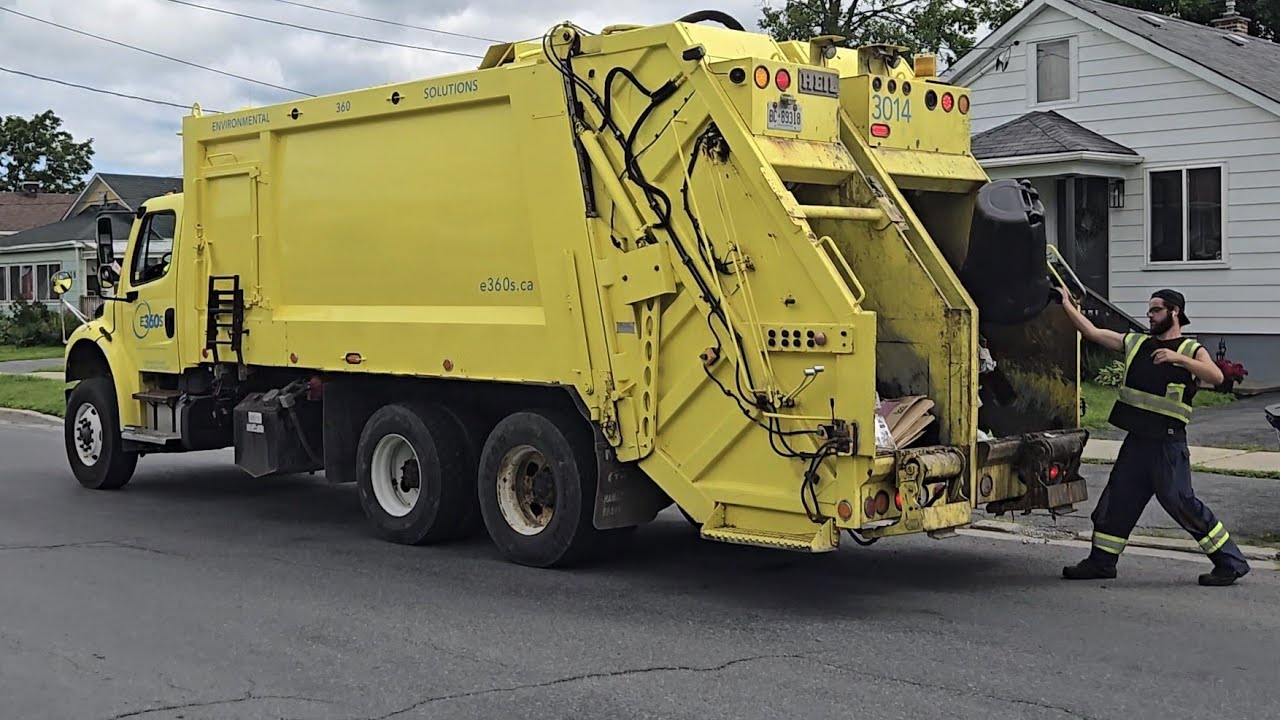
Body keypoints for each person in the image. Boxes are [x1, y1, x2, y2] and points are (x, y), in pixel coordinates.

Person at [1056, 286, 1250, 586]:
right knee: (1117, 501)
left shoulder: (1189, 349)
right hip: (1137, 441)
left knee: (1179, 502)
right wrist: (1067, 304)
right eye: (1149, 309)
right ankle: (1101, 562)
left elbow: (1216, 376)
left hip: (1167, 443)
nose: (1150, 314)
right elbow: (1093, 333)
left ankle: (1230, 562)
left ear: (1174, 312)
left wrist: (1178, 359)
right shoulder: (1137, 343)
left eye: (1156, 309)